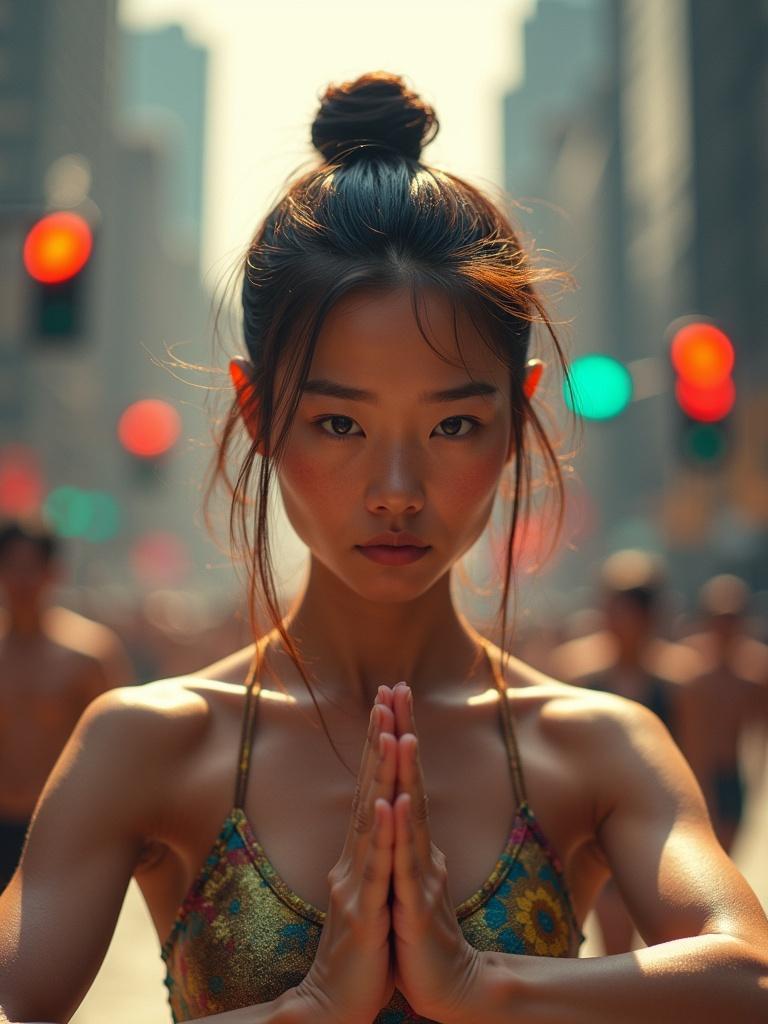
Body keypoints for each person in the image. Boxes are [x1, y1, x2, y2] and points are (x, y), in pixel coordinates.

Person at [1, 71, 767, 1024]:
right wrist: (308, 1008)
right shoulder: (150, 741)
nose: (397, 491)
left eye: (451, 427)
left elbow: (751, 978)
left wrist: (491, 982)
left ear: (518, 418)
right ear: (257, 412)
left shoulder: (593, 743)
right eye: (338, 424)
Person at [548, 550, 707, 956]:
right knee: (614, 949)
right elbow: (558, 759)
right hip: (591, 828)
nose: (617, 618)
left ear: (649, 614)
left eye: (629, 607)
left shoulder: (678, 680)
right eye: (612, 604)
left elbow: (691, 763)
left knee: (667, 951)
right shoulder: (577, 672)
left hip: (655, 829)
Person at [0, 517, 133, 896]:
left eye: (31, 569)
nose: (21, 581)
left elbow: (116, 747)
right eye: (11, 567)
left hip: (58, 829)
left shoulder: (88, 653)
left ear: (52, 573)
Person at [677, 574, 768, 853]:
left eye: (732, 618)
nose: (725, 627)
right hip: (689, 773)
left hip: (729, 775)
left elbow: (761, 730)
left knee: (726, 855)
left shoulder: (753, 671)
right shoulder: (688, 666)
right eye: (719, 618)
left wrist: (756, 781)